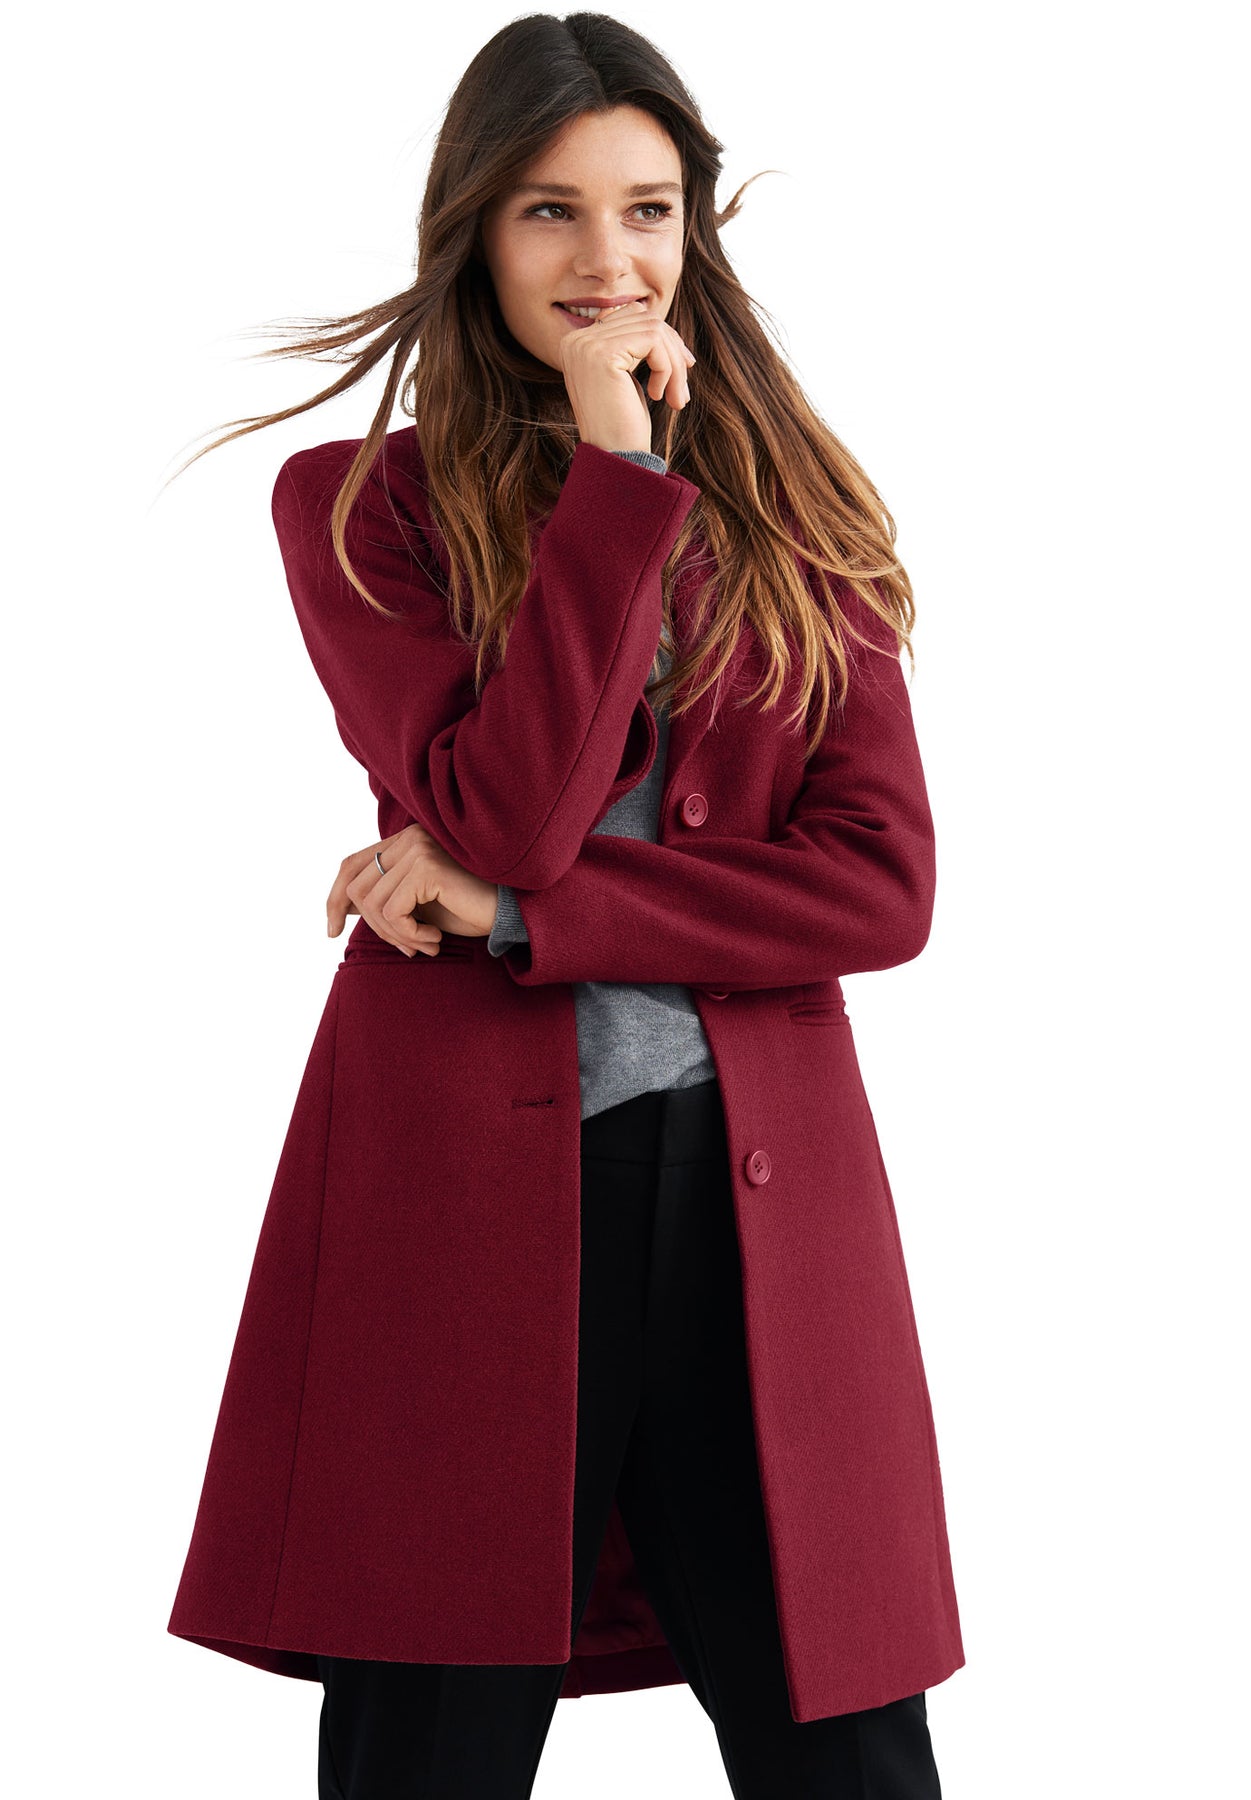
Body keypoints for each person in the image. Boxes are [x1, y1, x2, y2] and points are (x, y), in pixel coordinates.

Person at [166, 12, 965, 1797]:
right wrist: (617, 476)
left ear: (695, 229)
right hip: (458, 1211)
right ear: (475, 230)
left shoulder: (796, 514)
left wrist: (533, 922)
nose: (610, 259)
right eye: (551, 211)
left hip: (761, 1208)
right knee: (432, 1744)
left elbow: (879, 883)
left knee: (848, 1752)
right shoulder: (359, 509)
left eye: (648, 209)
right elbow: (511, 811)